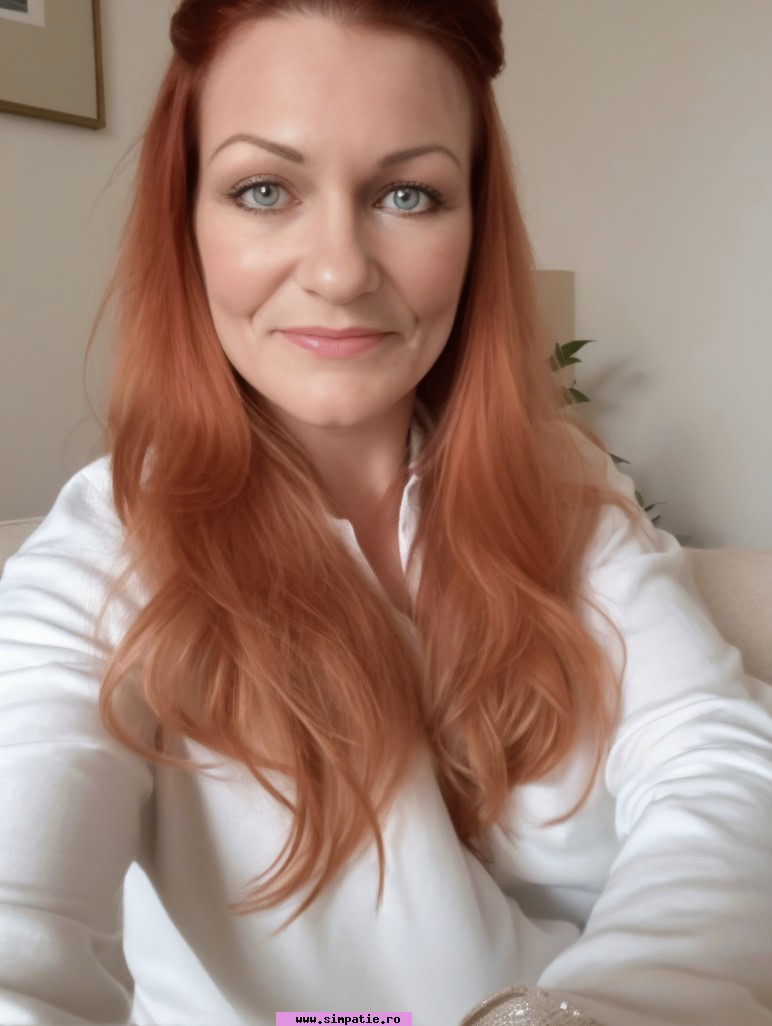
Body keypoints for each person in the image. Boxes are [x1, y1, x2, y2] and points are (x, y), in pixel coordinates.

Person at [0, 1, 770, 1024]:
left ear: (475, 225)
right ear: (186, 221)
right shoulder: (105, 556)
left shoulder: (562, 485)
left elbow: (717, 758)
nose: (339, 271)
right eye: (264, 189)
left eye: (408, 194)